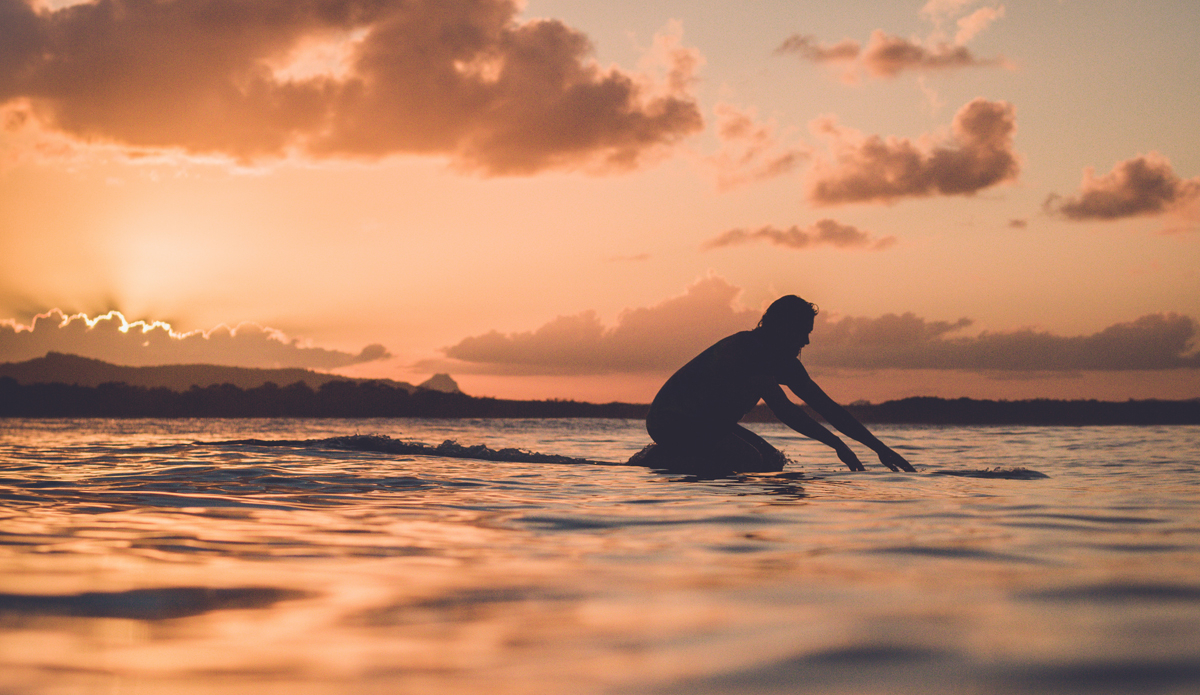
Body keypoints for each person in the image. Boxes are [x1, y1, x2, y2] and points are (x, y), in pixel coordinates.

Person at [643, 295, 915, 475]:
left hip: (711, 424)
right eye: (803, 332)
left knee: (773, 462)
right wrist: (836, 444)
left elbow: (829, 409)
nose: (806, 342)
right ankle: (658, 459)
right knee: (749, 461)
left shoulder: (784, 362)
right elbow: (784, 409)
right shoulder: (749, 348)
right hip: (672, 420)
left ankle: (680, 458)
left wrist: (880, 449)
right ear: (783, 328)